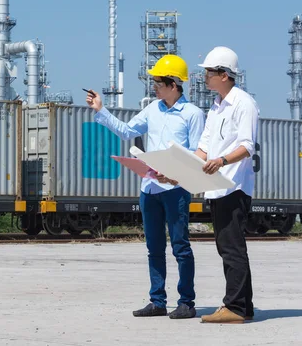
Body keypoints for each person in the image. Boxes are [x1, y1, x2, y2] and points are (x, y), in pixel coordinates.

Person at [86, 55, 205, 319]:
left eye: (158, 82)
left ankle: (187, 302)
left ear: (174, 83)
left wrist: (174, 175)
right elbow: (127, 131)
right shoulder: (152, 109)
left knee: (180, 247)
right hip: (149, 189)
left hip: (176, 190)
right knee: (154, 248)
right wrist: (100, 110)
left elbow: (197, 155)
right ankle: (158, 301)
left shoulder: (193, 114)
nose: (154, 87)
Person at [193, 46, 260, 324]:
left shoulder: (244, 103)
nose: (205, 78)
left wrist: (221, 161)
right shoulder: (216, 106)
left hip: (234, 186)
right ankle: (244, 306)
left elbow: (247, 146)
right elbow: (204, 147)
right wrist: (179, 169)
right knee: (226, 246)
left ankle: (234, 306)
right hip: (217, 187)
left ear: (224, 74)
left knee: (232, 247)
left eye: (208, 73)